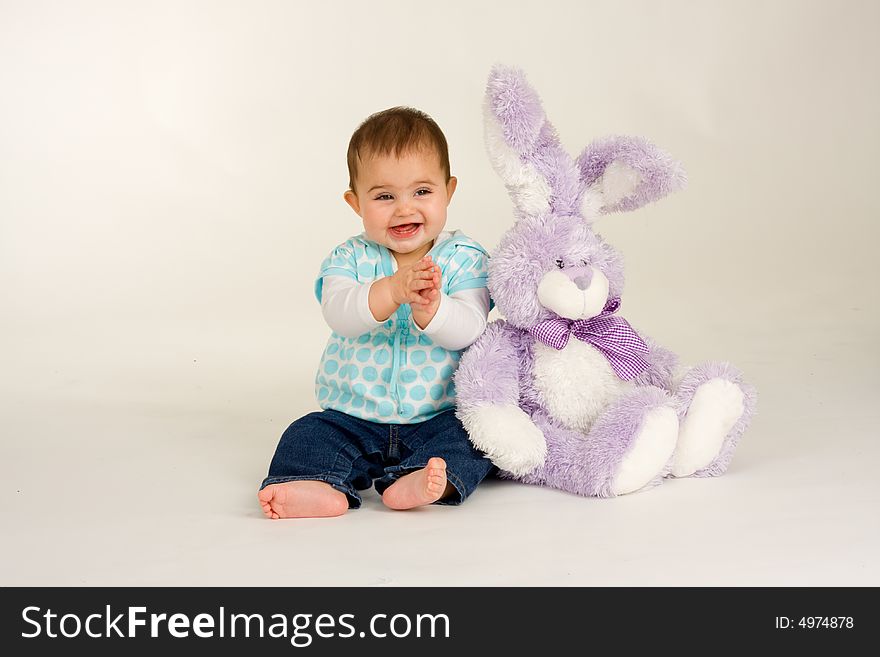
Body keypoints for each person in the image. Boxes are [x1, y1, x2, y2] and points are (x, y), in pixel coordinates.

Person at [258, 106, 495, 518]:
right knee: (307, 433)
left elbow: (471, 329)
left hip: (439, 414)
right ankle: (315, 484)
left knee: (478, 437)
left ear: (449, 190)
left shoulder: (464, 258)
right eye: (384, 196)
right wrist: (391, 290)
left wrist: (433, 310)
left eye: (422, 192)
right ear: (355, 202)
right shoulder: (349, 257)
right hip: (352, 414)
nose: (404, 208)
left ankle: (416, 480)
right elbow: (340, 315)